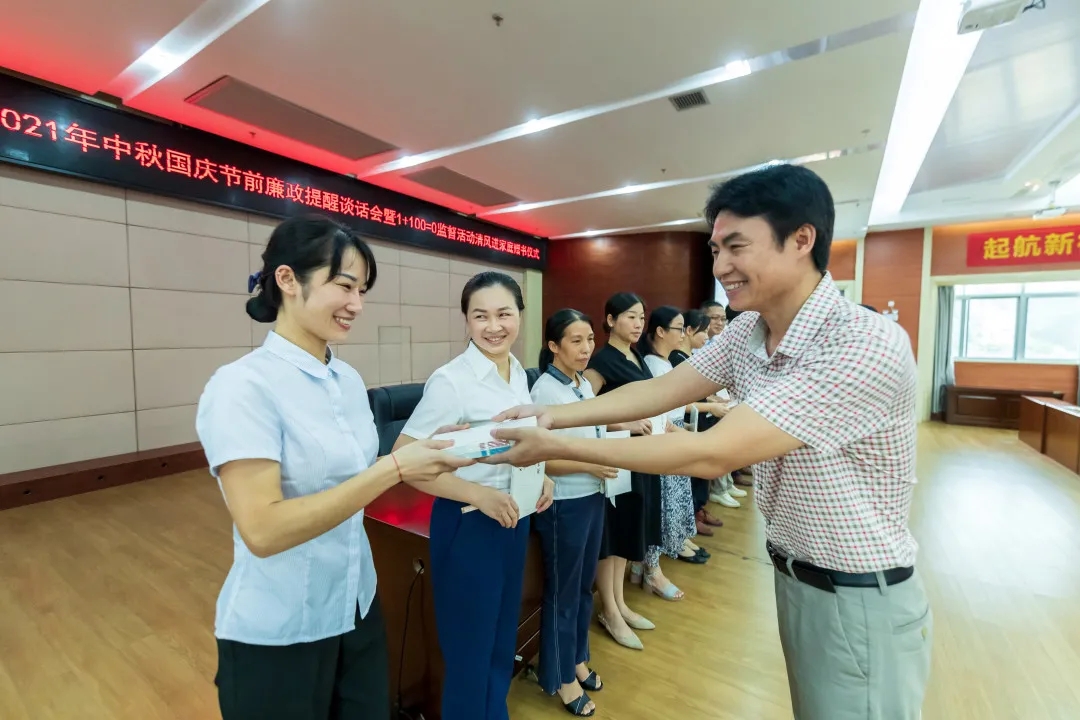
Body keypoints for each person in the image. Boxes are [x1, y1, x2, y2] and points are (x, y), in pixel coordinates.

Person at [487, 163, 933, 720]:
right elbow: (661, 391)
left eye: (736, 246)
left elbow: (711, 452)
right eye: (716, 249)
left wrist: (554, 446)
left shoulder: (862, 343)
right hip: (796, 577)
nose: (721, 267)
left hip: (859, 594)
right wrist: (552, 415)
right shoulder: (750, 331)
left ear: (801, 240)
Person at [194, 215, 474, 720]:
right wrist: (393, 468)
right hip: (282, 626)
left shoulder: (346, 380)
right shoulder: (242, 387)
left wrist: (433, 453)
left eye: (362, 290)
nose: (356, 305)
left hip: (356, 604)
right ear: (287, 279)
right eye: (344, 286)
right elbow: (263, 530)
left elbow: (356, 477)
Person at [392, 271, 555, 720]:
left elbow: (517, 442)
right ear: (466, 320)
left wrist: (541, 476)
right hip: (469, 524)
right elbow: (404, 459)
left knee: (501, 644)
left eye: (504, 314)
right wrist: (477, 494)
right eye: (480, 316)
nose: (494, 326)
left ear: (520, 315)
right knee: (469, 653)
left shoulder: (518, 372)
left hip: (513, 519)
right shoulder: (451, 380)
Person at [529, 308, 612, 717]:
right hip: (564, 504)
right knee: (563, 593)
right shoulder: (545, 391)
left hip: (593, 496)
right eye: (575, 341)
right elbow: (540, 458)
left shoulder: (582, 384)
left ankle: (577, 658)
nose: (585, 348)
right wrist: (589, 464)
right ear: (553, 346)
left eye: (589, 339)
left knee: (582, 588)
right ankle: (560, 678)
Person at [582, 292, 660, 650]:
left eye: (641, 317)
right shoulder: (601, 361)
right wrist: (624, 425)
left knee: (627, 531)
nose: (638, 324)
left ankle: (619, 602)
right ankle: (609, 611)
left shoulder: (636, 355)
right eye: (630, 316)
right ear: (611, 320)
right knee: (611, 534)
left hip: (639, 456)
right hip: (615, 456)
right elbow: (585, 411)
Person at [636, 306, 705, 598]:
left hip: (672, 437)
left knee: (671, 505)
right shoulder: (652, 364)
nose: (683, 334)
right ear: (661, 332)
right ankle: (651, 569)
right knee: (660, 509)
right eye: (678, 328)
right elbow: (654, 411)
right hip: (661, 442)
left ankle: (650, 564)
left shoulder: (665, 362)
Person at [673, 309, 726, 536]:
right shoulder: (677, 360)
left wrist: (713, 400)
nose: (707, 336)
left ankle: (698, 511)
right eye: (703, 331)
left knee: (700, 475)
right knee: (692, 476)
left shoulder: (691, 358)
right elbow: (679, 402)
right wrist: (711, 406)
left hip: (698, 422)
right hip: (687, 423)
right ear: (689, 331)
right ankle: (692, 517)